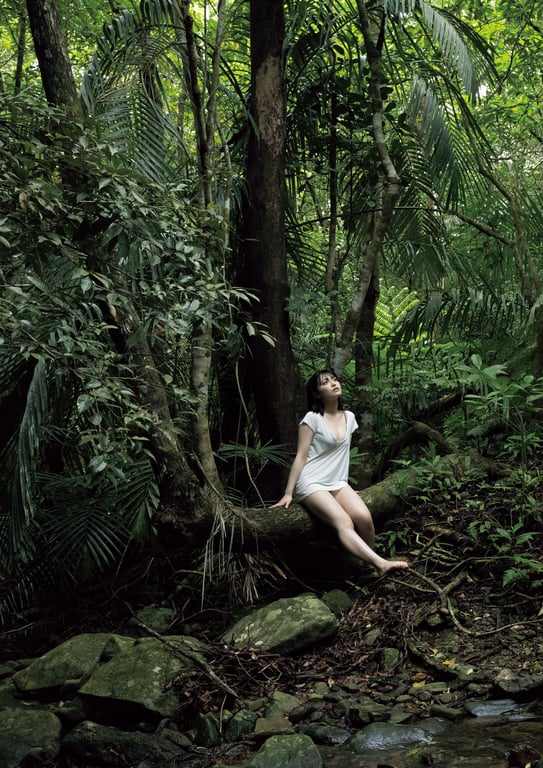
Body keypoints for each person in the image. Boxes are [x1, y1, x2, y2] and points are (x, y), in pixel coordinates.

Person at [271, 369, 408, 576]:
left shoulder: (349, 417)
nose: (334, 383)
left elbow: (341, 456)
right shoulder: (312, 418)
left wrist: (346, 487)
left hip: (337, 482)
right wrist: (289, 493)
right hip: (311, 482)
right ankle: (380, 564)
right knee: (344, 522)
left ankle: (365, 566)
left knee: (364, 518)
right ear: (317, 394)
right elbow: (300, 456)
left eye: (334, 379)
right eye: (325, 382)